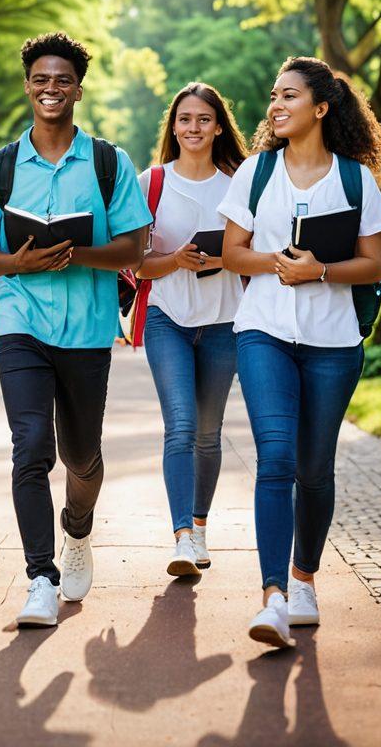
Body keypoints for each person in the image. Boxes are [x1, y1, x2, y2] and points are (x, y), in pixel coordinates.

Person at [0, 32, 151, 628]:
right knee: (31, 447)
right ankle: (40, 577)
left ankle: (78, 528)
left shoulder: (107, 161)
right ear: (27, 86)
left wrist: (74, 254)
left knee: (82, 455)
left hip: (89, 327)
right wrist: (21, 263)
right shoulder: (2, 165)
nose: (50, 89)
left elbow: (135, 244)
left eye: (62, 80)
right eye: (41, 79)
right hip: (20, 319)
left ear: (78, 90)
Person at [219, 56, 381, 650]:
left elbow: (374, 264)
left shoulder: (355, 180)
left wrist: (319, 271)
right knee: (276, 457)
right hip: (262, 330)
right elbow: (231, 253)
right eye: (274, 95)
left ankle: (304, 580)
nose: (275, 105)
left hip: (334, 342)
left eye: (288, 95)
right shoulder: (256, 172)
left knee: (315, 468)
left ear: (320, 107)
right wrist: (276, 263)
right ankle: (271, 599)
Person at [135, 83, 247, 578]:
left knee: (208, 432)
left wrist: (225, 258)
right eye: (185, 119)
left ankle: (200, 526)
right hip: (167, 318)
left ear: (219, 126)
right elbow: (136, 264)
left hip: (225, 320)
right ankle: (182, 538)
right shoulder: (151, 182)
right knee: (180, 424)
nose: (194, 128)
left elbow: (258, 254)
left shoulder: (240, 183)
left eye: (204, 119)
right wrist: (173, 260)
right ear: (173, 126)